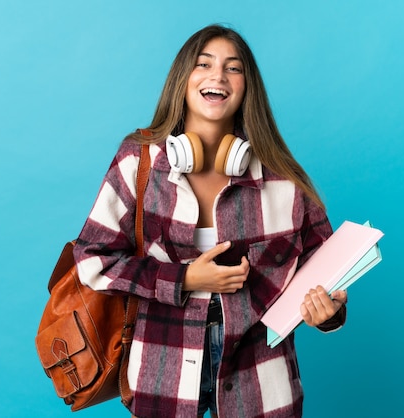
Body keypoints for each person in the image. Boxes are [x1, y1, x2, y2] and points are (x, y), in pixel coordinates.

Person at [73, 24, 347, 418]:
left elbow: (326, 269)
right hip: (162, 368)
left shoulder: (282, 179)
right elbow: (92, 259)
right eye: (204, 64)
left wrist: (330, 311)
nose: (218, 76)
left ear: (247, 87)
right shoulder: (140, 162)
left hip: (261, 380)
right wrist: (184, 280)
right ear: (182, 79)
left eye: (233, 68)